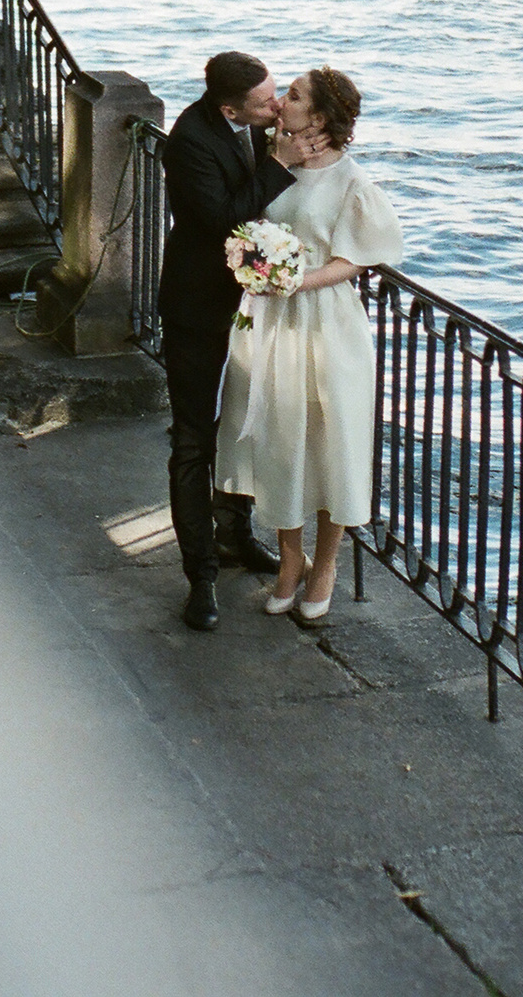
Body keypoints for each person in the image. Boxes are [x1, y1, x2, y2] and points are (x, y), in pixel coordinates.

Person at [215, 68, 403, 625]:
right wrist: (257, 267)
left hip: (326, 322)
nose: (280, 102)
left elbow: (361, 257)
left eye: (292, 96)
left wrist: (297, 280)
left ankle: (326, 566)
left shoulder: (350, 182)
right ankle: (289, 561)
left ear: (318, 118)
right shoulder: (273, 155)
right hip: (269, 317)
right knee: (277, 438)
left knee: (329, 442)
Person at [159, 51, 322, 631]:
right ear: (230, 108)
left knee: (246, 422)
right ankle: (199, 576)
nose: (276, 107)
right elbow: (223, 220)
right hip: (197, 307)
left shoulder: (256, 122)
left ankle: (235, 534)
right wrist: (277, 162)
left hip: (254, 306)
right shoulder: (187, 142)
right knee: (193, 439)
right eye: (264, 103)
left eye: (278, 94)